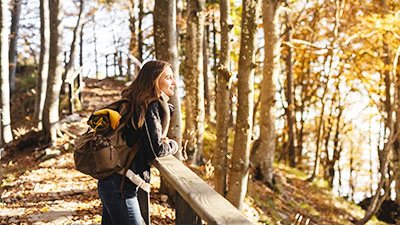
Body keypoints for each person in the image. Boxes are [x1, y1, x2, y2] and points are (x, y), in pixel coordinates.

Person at [97, 60, 179, 225]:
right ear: (154, 80)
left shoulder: (137, 101)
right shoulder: (149, 105)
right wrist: (174, 145)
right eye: (168, 77)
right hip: (120, 186)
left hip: (112, 182)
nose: (174, 82)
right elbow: (156, 150)